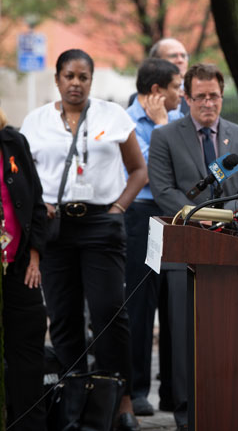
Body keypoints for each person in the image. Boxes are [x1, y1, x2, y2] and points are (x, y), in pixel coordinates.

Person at [21, 48, 147, 431]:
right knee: (63, 315)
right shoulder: (36, 122)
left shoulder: (113, 116)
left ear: (91, 80)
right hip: (55, 227)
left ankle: (120, 399)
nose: (76, 83)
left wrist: (118, 209)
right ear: (57, 79)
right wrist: (38, 206)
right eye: (69, 76)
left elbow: (138, 171)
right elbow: (24, 176)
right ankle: (73, 398)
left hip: (100, 224)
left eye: (83, 77)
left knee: (109, 311)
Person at [148, 62, 238, 431]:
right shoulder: (164, 136)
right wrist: (199, 216)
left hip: (233, 251)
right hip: (185, 249)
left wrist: (224, 218)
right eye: (200, 97)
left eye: (214, 96)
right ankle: (187, 412)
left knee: (233, 331)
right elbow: (163, 190)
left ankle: (233, 405)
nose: (208, 103)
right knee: (185, 334)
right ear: (186, 97)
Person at [124, 58, 183, 417]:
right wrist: (162, 129)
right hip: (140, 216)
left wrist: (165, 126)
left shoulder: (179, 121)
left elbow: (185, 172)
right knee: (140, 305)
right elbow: (152, 174)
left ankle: (174, 392)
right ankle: (137, 388)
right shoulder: (126, 122)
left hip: (175, 215)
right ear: (158, 91)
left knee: (174, 303)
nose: (182, 94)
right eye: (177, 87)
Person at [0, 108, 48, 430]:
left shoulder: (14, 142)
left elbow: (36, 203)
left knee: (29, 353)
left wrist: (34, 255)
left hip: (19, 266)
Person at [128, 38, 189, 114]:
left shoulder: (197, 97)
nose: (180, 60)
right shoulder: (138, 99)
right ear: (156, 60)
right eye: (173, 56)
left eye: (184, 56)